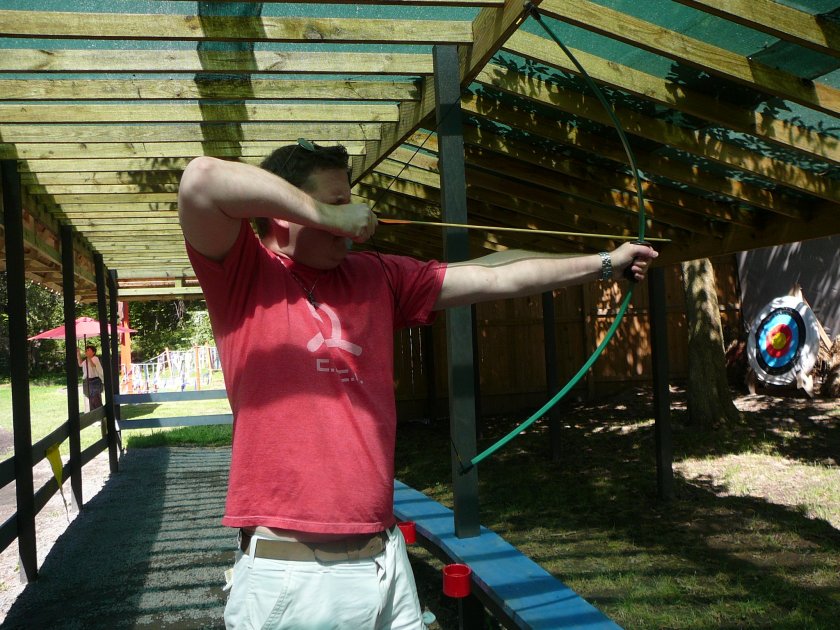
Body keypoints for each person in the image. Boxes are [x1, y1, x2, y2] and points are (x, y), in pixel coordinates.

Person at [178, 141, 657, 629]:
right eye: (337, 201)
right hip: (294, 574)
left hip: (385, 561)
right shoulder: (242, 273)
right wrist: (330, 216)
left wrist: (604, 262)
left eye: (350, 200)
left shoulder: (377, 275)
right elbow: (201, 180)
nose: (354, 215)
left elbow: (495, 275)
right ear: (283, 214)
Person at [77, 344, 104, 411]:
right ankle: (94, 412)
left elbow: (93, 365)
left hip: (95, 381)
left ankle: (100, 412)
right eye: (86, 350)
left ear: (93, 352)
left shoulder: (95, 358)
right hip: (87, 381)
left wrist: (88, 357)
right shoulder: (86, 360)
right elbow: (80, 364)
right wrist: (78, 354)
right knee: (91, 398)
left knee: (96, 398)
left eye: (88, 350)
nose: (86, 351)